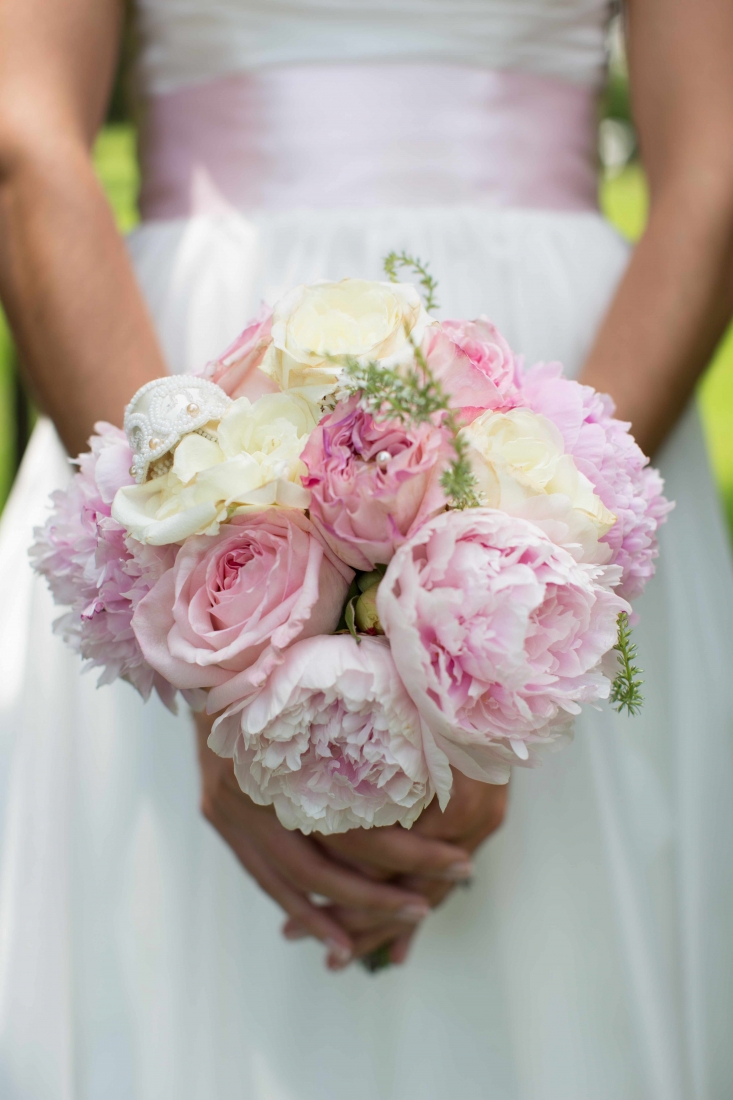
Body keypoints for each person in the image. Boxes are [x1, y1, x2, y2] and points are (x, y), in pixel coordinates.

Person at [0, 0, 732, 1096]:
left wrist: (527, 569)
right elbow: (715, 168)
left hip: (543, 397)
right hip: (197, 393)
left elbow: (21, 132)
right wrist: (205, 592)